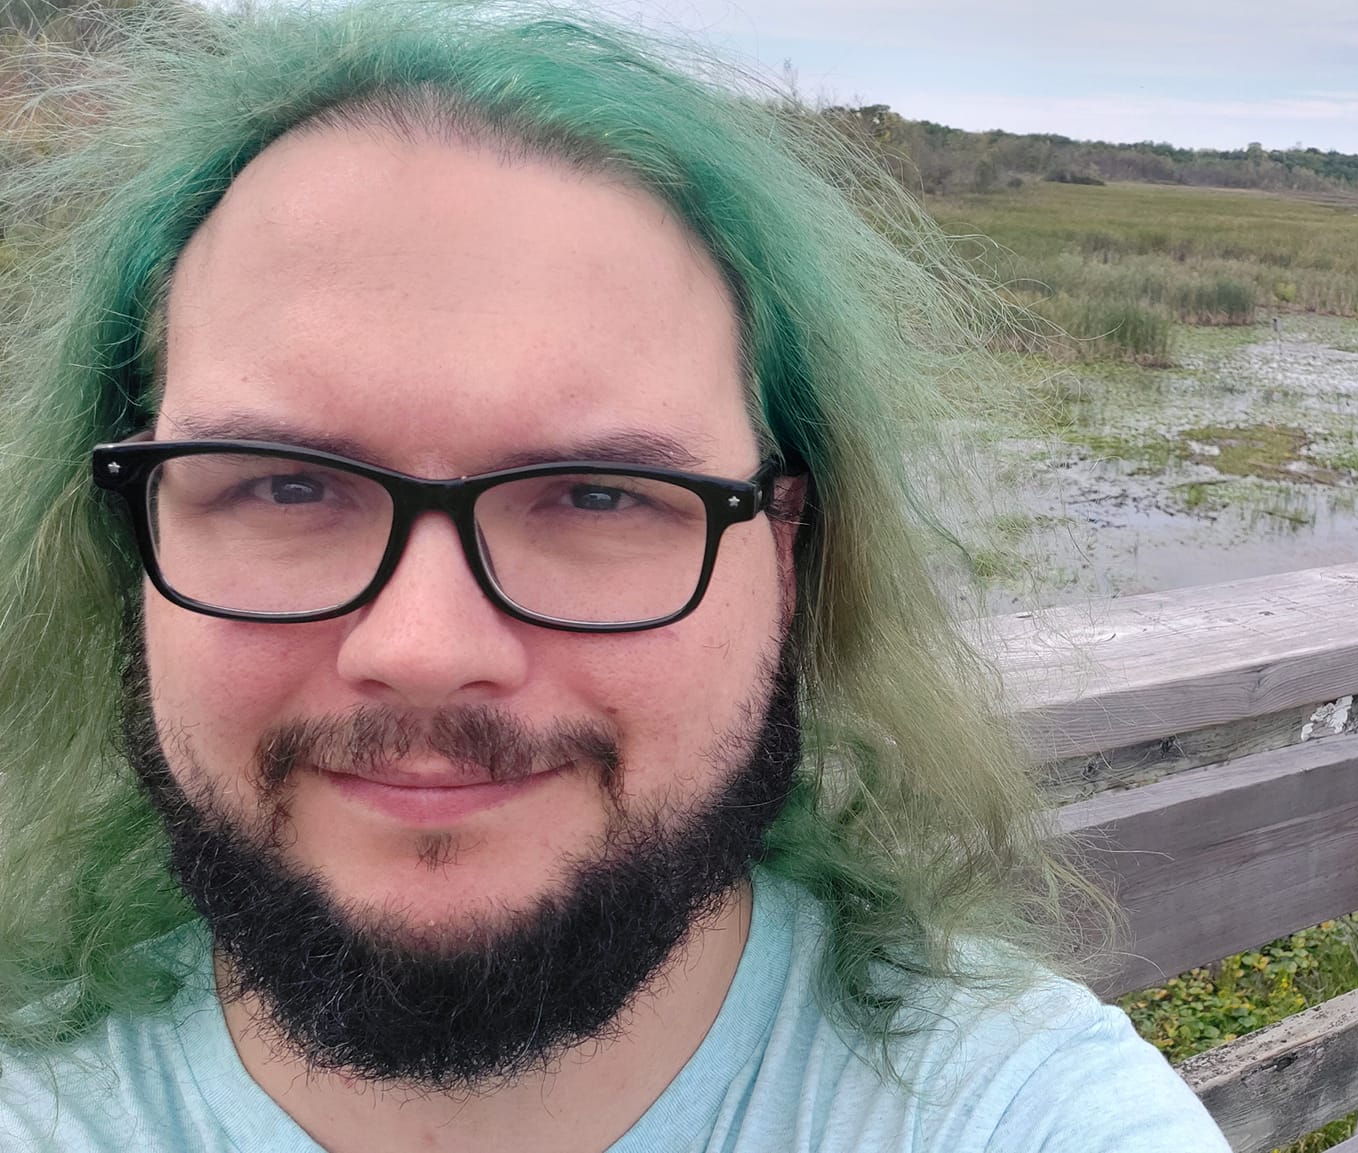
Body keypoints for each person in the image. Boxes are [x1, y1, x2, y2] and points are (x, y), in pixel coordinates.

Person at [0, 3, 1232, 1150]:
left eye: (598, 494)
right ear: (123, 542)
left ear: (788, 554)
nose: (424, 645)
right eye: (281, 484)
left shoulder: (1016, 1112)